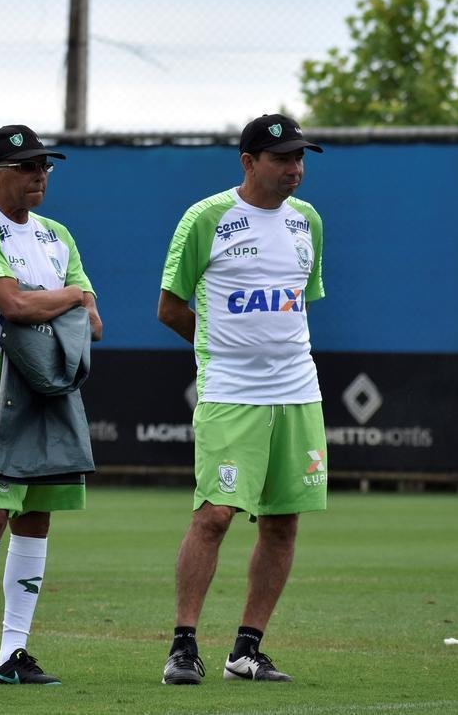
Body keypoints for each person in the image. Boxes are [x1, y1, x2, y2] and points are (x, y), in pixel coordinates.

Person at [157, 113, 327, 686]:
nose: (295, 170)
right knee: (215, 515)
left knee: (283, 522)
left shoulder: (308, 222)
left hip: (298, 392)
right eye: (282, 159)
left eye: (300, 159)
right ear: (249, 162)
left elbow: (301, 303)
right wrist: (219, 351)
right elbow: (171, 307)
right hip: (231, 392)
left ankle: (246, 650)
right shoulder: (206, 218)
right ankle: (183, 646)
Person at [0, 125, 103, 688]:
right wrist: (71, 300)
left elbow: (94, 324)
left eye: (45, 166)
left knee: (37, 516)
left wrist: (56, 304)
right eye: (27, 166)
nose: (39, 175)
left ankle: (13, 654)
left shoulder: (58, 235)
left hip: (51, 382)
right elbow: (12, 305)